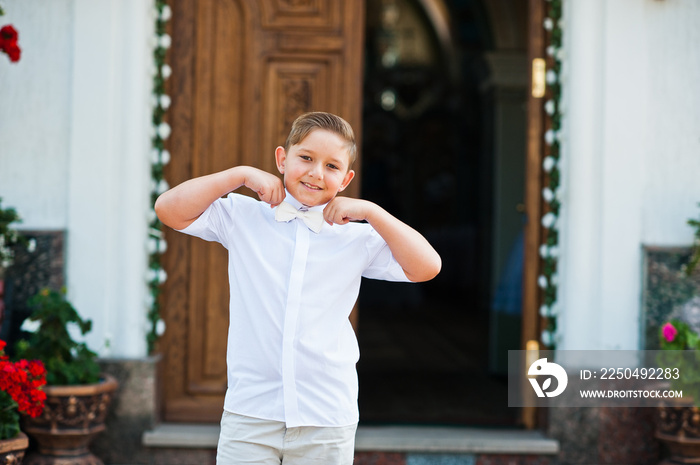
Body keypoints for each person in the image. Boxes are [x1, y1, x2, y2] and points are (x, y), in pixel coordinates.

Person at [155, 111, 441, 464]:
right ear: (282, 158)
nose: (316, 173)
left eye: (332, 166)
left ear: (346, 179)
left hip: (325, 415)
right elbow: (168, 210)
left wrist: (371, 211)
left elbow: (428, 267)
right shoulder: (244, 216)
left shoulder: (357, 238)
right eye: (305, 158)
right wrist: (240, 175)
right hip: (251, 412)